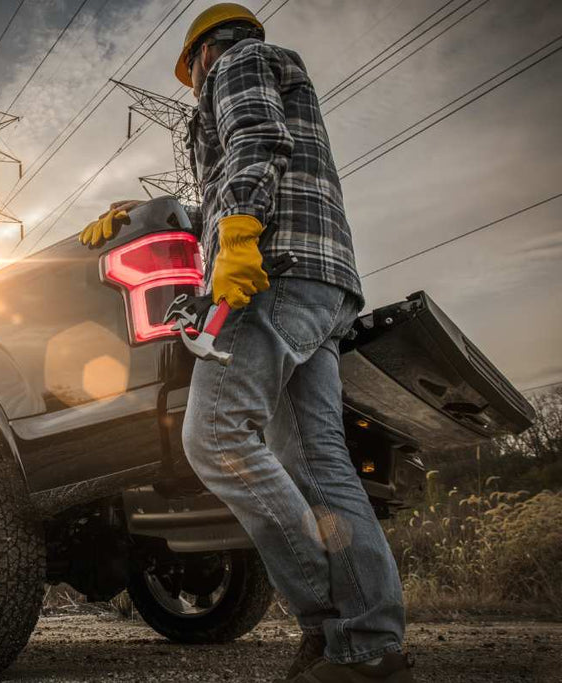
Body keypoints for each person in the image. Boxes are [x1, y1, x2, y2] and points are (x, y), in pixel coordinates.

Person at [79, 4, 415, 682]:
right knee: (318, 460)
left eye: (189, 71)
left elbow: (255, 142)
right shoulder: (280, 72)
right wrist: (142, 216)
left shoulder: (236, 63)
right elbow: (250, 172)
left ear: (202, 52)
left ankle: (332, 624)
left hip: (273, 274)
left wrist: (236, 239)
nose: (192, 84)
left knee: (216, 437)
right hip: (325, 282)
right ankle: (369, 644)